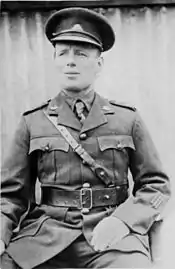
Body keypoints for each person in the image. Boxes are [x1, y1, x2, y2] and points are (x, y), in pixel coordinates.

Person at [0, 7, 171, 269]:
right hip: (47, 238)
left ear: (99, 64)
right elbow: (10, 195)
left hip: (112, 239)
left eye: (81, 54)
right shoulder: (32, 122)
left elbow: (156, 186)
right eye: (63, 53)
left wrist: (123, 221)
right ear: (55, 61)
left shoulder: (127, 119)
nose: (70, 61)